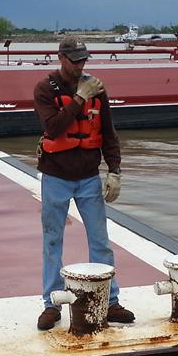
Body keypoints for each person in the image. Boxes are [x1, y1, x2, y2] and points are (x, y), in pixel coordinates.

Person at [33, 37, 135, 331]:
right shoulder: (44, 89)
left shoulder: (97, 90)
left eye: (83, 60)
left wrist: (114, 170)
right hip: (55, 177)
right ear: (61, 58)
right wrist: (79, 98)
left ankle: (110, 300)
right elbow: (53, 128)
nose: (80, 65)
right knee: (52, 241)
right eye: (75, 60)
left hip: (89, 178)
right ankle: (51, 304)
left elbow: (108, 133)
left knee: (101, 243)